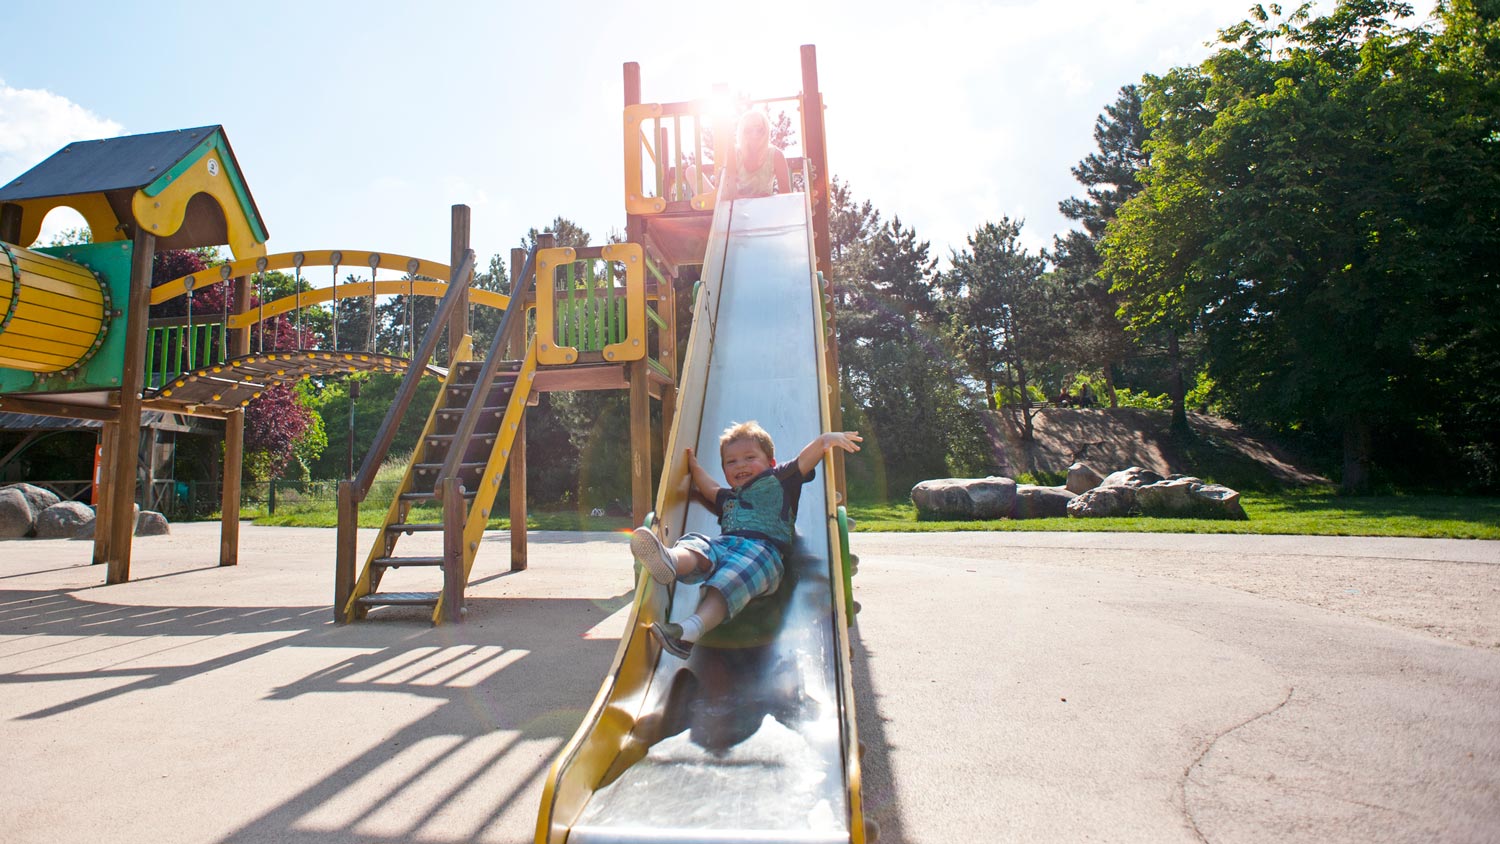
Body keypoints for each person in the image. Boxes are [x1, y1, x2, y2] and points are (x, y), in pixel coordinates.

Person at [630, 421, 862, 658]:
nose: (740, 465)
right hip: (726, 544)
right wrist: (693, 466)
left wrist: (826, 439)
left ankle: (686, 632)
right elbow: (709, 488)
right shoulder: (729, 498)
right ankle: (670, 560)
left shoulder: (779, 480)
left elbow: (804, 459)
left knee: (727, 581)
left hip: (764, 553)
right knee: (698, 544)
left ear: (770, 462)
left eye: (749, 457)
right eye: (731, 462)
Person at [716, 110, 793, 201]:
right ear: (742, 131)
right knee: (693, 171)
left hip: (765, 208)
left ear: (766, 130)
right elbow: (729, 195)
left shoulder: (776, 155)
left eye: (759, 130)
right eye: (748, 130)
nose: (754, 134)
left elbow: (786, 195)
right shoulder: (733, 154)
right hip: (736, 210)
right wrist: (756, 197)